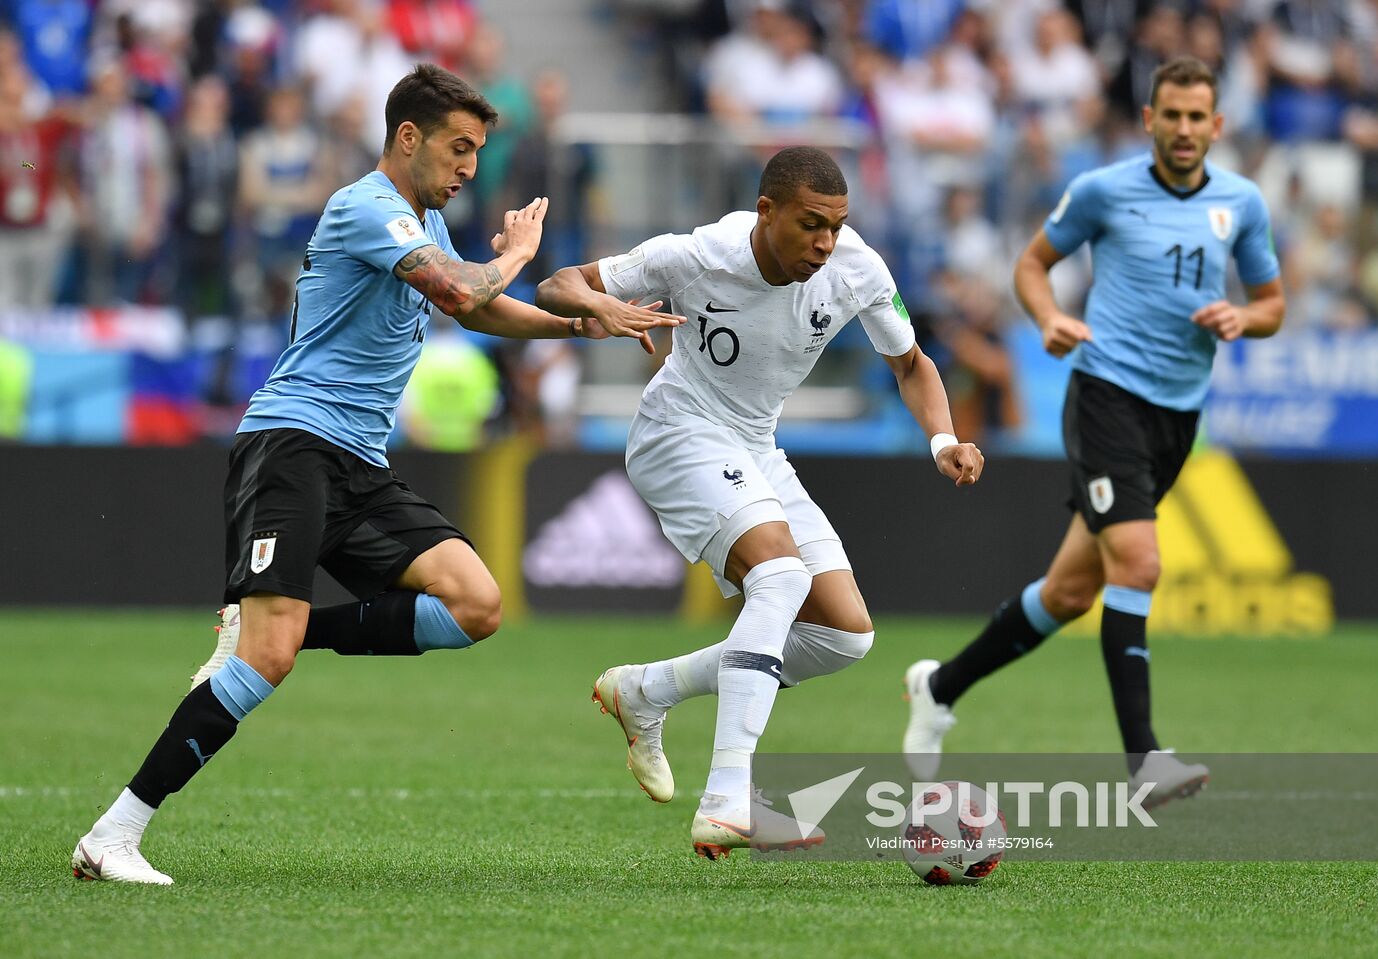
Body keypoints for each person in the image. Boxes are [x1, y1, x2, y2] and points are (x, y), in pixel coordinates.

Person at [71, 63, 679, 885]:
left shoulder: (421, 219)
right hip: (292, 441)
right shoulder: (368, 207)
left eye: (477, 152)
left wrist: (586, 321)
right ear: (408, 137)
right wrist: (527, 254)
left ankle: (259, 631)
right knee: (268, 660)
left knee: (475, 603)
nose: (471, 167)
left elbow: (483, 304)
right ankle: (114, 833)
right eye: (459, 148)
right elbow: (463, 294)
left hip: (359, 459)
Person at [536, 146, 984, 859]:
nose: (826, 243)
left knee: (844, 634)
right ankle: (727, 797)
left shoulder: (857, 267)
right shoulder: (698, 255)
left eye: (836, 225)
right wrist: (596, 302)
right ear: (766, 211)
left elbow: (911, 363)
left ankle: (647, 690)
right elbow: (557, 283)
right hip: (677, 431)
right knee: (780, 577)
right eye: (810, 225)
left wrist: (942, 441)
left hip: (756, 446)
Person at [902, 57, 1285, 806]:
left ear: (1217, 124)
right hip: (1106, 393)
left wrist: (1246, 317)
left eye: (1195, 116)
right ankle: (1145, 760)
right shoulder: (1105, 190)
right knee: (1138, 564)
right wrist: (1047, 318)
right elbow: (1032, 264)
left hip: (1177, 414)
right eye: (1169, 115)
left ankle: (939, 687)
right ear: (1148, 120)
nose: (1182, 129)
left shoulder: (1241, 203)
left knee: (1073, 590)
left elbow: (1272, 300)